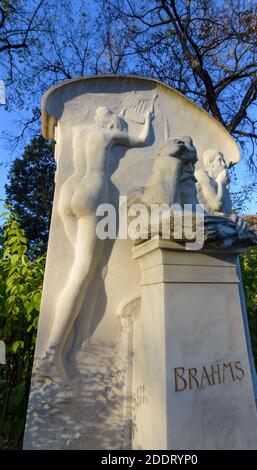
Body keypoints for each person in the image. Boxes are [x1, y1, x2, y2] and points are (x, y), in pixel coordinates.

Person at [37, 103, 154, 381]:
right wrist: (147, 119)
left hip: (70, 192)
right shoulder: (107, 134)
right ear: (113, 124)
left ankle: (70, 349)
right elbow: (142, 139)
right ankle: (52, 356)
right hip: (93, 192)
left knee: (84, 272)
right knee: (84, 273)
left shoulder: (78, 130)